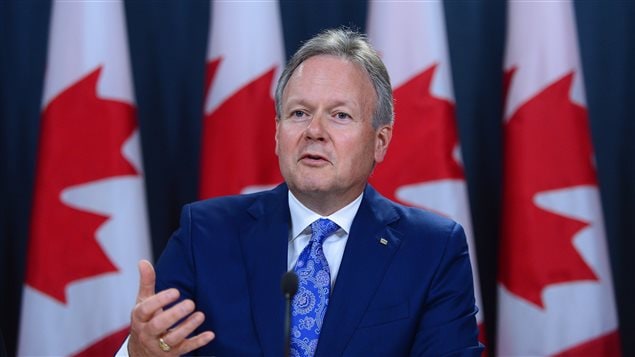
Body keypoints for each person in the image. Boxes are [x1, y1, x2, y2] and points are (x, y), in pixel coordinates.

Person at [122, 28, 483, 356]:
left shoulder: (432, 250)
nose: (314, 131)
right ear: (278, 134)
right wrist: (139, 352)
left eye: (340, 115)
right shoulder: (204, 233)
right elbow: (159, 342)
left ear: (380, 141)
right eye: (298, 113)